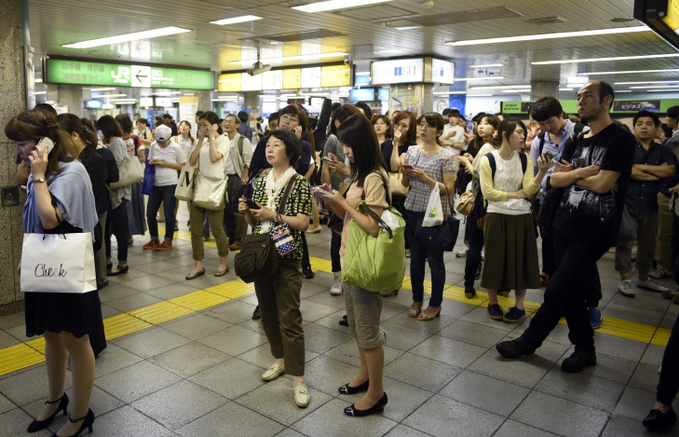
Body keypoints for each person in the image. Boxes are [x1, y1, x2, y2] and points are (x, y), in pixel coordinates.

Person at [496, 81, 636, 373]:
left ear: (607, 100)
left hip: (594, 229)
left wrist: (572, 174)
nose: (581, 101)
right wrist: (578, 173)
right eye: (578, 97)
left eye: (588, 96)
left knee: (557, 288)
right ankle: (585, 350)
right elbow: (555, 180)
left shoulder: (620, 139)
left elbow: (602, 185)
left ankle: (528, 341)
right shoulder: (579, 138)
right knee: (570, 290)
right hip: (562, 224)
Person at [7, 109, 99, 437]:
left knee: (75, 339)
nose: (18, 149)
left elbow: (50, 219)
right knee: (50, 334)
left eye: (23, 142)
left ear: (46, 141)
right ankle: (55, 399)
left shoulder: (71, 173)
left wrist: (39, 174)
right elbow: (32, 220)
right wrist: (26, 256)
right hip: (44, 264)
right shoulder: (40, 174)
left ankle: (79, 414)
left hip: (69, 266)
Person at [318, 113, 390, 417]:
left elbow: (373, 225)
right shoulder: (360, 173)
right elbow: (349, 214)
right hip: (351, 258)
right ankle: (363, 376)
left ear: (360, 143)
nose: (345, 150)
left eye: (348, 145)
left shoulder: (374, 176)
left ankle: (377, 393)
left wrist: (343, 202)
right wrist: (329, 198)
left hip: (365, 263)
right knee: (359, 329)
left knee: (368, 331)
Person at [238, 129, 312, 408]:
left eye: (276, 145)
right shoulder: (258, 179)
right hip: (260, 254)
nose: (269, 150)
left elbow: (303, 223)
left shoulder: (300, 183)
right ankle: (280, 360)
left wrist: (274, 215)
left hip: (287, 254)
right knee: (267, 314)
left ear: (290, 151)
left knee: (290, 317)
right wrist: (247, 210)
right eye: (268, 145)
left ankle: (299, 379)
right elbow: (252, 223)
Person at [479, 118, 549, 322]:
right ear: (504, 134)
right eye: (518, 132)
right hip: (496, 214)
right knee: (494, 259)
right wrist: (514, 195)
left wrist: (542, 173)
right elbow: (488, 192)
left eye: (524, 133)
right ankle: (493, 302)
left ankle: (519, 305)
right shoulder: (488, 159)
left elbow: (528, 189)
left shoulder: (525, 160)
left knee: (522, 260)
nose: (523, 136)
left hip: (522, 216)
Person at [402, 112, 457, 320]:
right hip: (413, 209)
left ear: (439, 131)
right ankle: (417, 299)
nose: (422, 129)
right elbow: (405, 185)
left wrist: (424, 177)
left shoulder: (447, 156)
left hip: (432, 214)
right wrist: (406, 176)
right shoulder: (412, 151)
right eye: (421, 125)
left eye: (428, 126)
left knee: (434, 260)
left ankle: (435, 303)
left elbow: (448, 189)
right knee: (415, 259)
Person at [616, 110, 676, 297]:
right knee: (625, 242)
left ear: (657, 128)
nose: (644, 126)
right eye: (640, 123)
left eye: (649, 123)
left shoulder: (663, 149)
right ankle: (625, 279)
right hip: (628, 202)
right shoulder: (627, 147)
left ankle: (643, 278)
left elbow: (670, 171)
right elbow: (627, 171)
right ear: (633, 127)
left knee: (648, 245)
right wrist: (655, 172)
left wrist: (639, 168)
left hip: (651, 204)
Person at [529, 98, 587, 289]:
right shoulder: (540, 140)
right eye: (542, 124)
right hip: (547, 200)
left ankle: (564, 281)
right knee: (547, 237)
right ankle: (548, 271)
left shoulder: (581, 133)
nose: (547, 127)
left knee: (568, 243)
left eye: (550, 122)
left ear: (561, 114)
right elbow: (534, 173)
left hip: (573, 201)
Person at [456, 114, 501, 297]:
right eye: (480, 124)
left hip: (482, 202)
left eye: (486, 124)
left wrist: (466, 161)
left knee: (475, 245)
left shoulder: (488, 147)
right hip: (494, 202)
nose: (481, 127)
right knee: (492, 246)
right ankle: (498, 285)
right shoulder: (497, 148)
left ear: (496, 130)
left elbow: (477, 173)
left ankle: (468, 285)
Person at [321, 105, 361, 296]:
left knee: (356, 237)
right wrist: (327, 191)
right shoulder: (334, 140)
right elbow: (326, 168)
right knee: (337, 234)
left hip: (358, 195)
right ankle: (339, 277)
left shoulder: (363, 143)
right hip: (342, 192)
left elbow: (368, 174)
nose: (340, 131)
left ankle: (356, 278)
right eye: (337, 126)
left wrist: (345, 171)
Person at [185, 111, 230, 279]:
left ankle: (223, 262)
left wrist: (211, 137)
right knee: (195, 230)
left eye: (205, 125)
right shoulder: (201, 141)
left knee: (217, 229)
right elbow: (192, 161)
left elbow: (214, 158)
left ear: (214, 126)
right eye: (200, 125)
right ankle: (198, 265)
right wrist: (201, 140)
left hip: (215, 188)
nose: (201, 128)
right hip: (199, 187)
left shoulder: (222, 140)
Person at [96, 115, 130, 276]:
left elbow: (115, 166)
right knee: (109, 229)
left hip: (118, 194)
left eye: (102, 129)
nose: (101, 133)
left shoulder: (116, 142)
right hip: (112, 193)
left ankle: (122, 263)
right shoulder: (114, 142)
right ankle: (108, 260)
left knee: (119, 229)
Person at [142, 125, 186, 251]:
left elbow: (183, 166)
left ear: (169, 138)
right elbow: (149, 159)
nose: (161, 144)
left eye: (163, 142)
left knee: (168, 213)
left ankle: (168, 240)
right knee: (150, 214)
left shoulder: (176, 147)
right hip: (155, 184)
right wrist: (151, 162)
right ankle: (154, 238)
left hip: (170, 184)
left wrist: (167, 164)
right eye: (159, 141)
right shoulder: (154, 145)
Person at [221, 114, 253, 250]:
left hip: (237, 179)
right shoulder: (221, 140)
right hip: (223, 179)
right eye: (225, 121)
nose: (227, 124)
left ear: (238, 125)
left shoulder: (242, 141)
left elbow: (248, 163)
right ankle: (231, 237)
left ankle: (240, 239)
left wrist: (244, 181)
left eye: (230, 122)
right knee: (226, 210)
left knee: (238, 210)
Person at [116, 114, 146, 241]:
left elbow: (142, 157)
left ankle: (130, 232)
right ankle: (122, 232)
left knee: (131, 207)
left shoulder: (135, 139)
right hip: (119, 179)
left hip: (133, 179)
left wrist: (128, 161)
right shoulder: (113, 140)